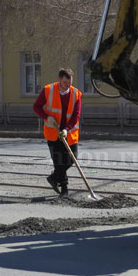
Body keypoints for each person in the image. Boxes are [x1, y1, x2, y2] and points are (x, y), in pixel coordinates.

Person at [32, 68, 82, 198]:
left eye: (70, 82)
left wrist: (66, 129)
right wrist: (47, 117)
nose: (68, 85)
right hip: (53, 132)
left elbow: (76, 115)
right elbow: (36, 107)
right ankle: (64, 190)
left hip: (70, 132)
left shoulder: (76, 94)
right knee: (59, 161)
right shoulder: (48, 90)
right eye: (65, 82)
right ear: (59, 79)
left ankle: (54, 178)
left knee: (72, 158)